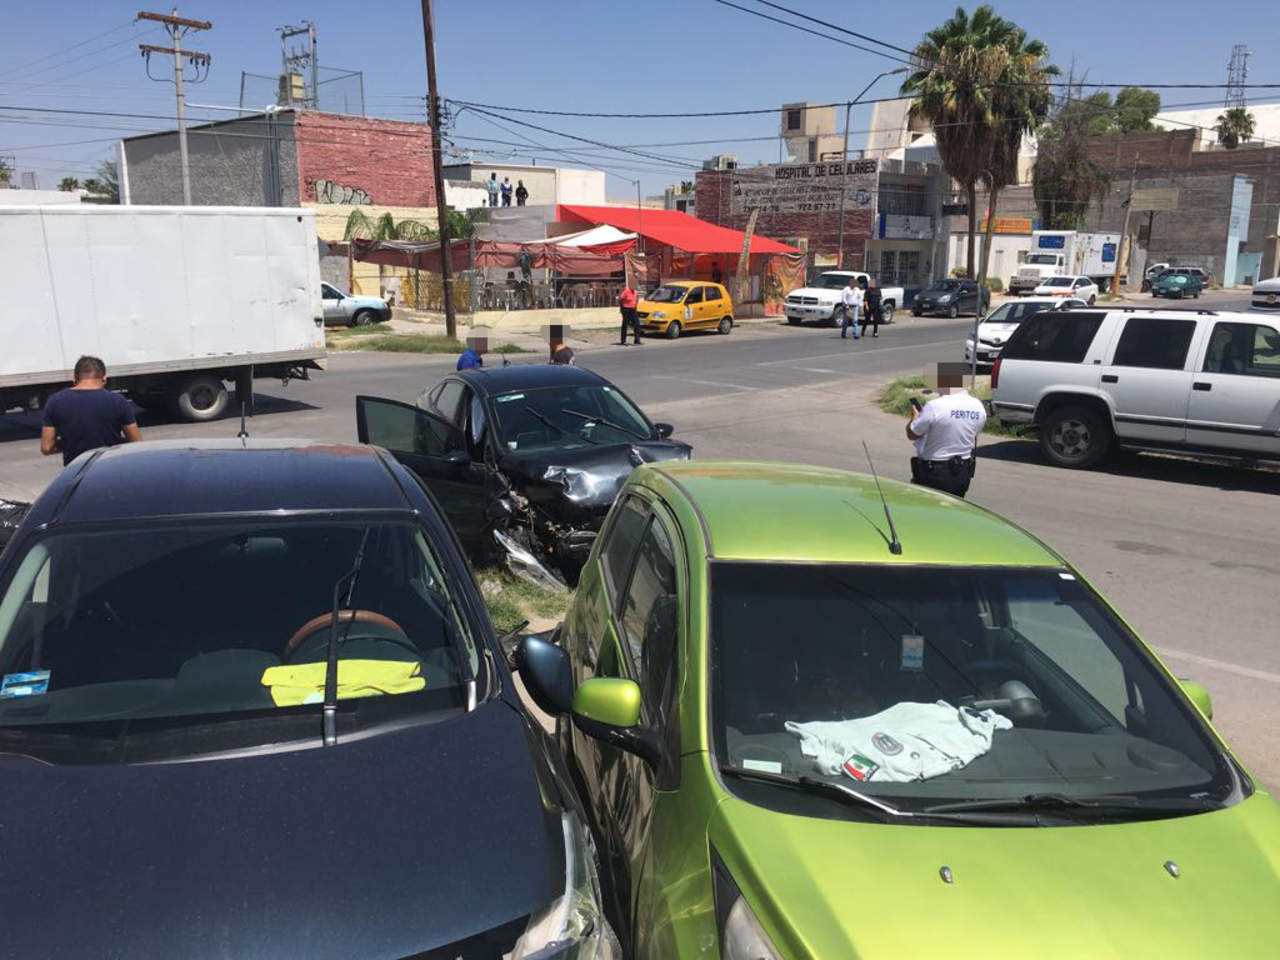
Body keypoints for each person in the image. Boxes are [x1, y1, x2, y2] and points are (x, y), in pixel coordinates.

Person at [40, 355, 141, 466]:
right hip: (109, 468)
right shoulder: (118, 401)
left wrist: (67, 442)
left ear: (74, 379)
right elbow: (136, 442)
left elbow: (46, 448)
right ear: (104, 378)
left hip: (76, 470)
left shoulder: (55, 401)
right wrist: (115, 442)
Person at [905, 361, 987, 498]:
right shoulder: (978, 406)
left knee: (929, 507)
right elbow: (973, 435)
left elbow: (912, 434)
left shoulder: (935, 406)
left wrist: (914, 418)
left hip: (934, 471)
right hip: (962, 473)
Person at [840, 275, 863, 340]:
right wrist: (846, 304)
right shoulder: (846, 289)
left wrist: (860, 305)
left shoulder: (857, 290)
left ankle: (855, 334)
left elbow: (860, 297)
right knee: (846, 321)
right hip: (848, 307)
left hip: (855, 307)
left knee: (855, 321)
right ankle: (843, 333)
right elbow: (843, 298)